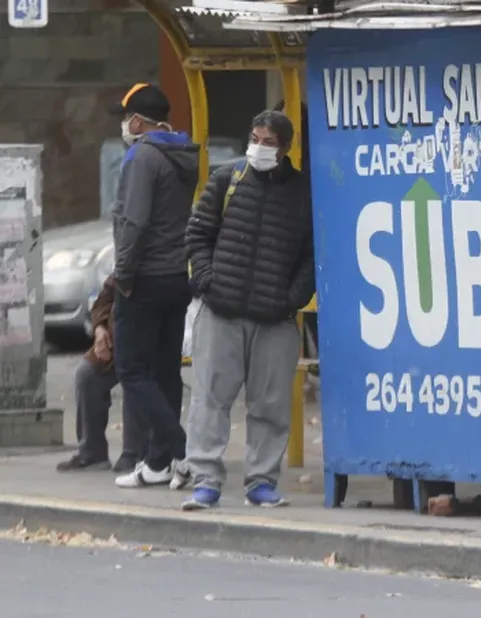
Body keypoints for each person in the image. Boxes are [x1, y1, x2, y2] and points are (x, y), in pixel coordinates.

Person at [181, 110, 314, 510]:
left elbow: (312, 253)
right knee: (210, 398)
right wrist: (206, 279)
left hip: (275, 318)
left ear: (286, 147)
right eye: (254, 138)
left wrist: (293, 296)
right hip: (221, 310)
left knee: (270, 405)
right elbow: (198, 234)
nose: (259, 147)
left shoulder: (301, 192)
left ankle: (261, 482)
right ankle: (205, 479)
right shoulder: (227, 179)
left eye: (269, 142)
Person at [109, 82, 199, 489]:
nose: (124, 125)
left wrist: (123, 278)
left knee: (132, 370)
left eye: (126, 117)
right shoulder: (182, 152)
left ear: (140, 121)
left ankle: (180, 449)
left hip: (143, 280)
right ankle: (159, 463)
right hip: (177, 277)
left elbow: (134, 223)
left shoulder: (143, 157)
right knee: (165, 373)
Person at [56, 275, 149, 473]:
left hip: (144, 340)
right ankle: (92, 452)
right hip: (116, 339)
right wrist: (100, 329)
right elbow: (103, 300)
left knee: (133, 377)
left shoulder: (155, 263)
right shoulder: (123, 266)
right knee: (88, 375)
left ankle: (134, 453)